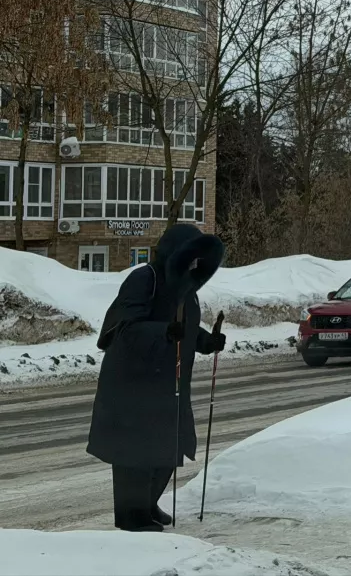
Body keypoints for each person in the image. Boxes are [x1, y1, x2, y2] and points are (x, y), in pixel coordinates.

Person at [86, 224, 227, 532]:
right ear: (174, 254)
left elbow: (183, 329)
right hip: (131, 384)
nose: (193, 265)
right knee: (134, 450)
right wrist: (161, 332)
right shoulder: (143, 280)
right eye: (189, 258)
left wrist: (206, 342)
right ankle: (130, 514)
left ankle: (147, 504)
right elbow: (125, 329)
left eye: (197, 261)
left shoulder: (185, 289)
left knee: (166, 446)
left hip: (167, 384)